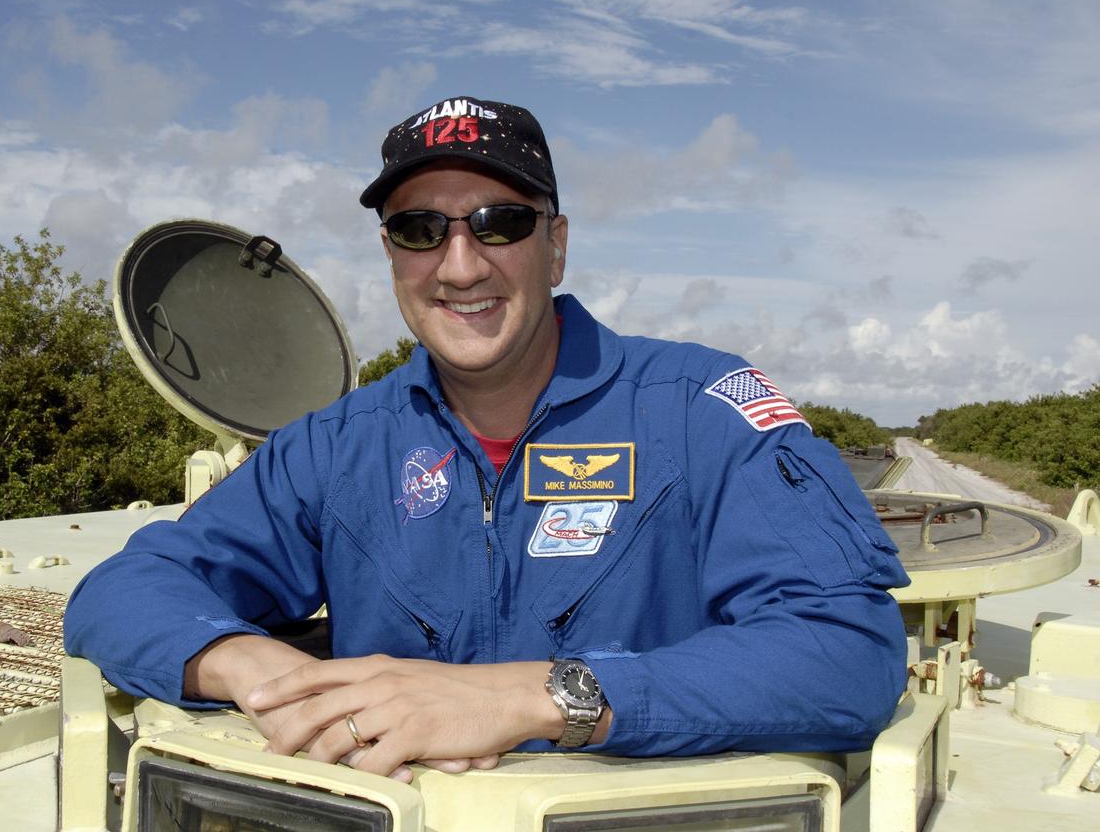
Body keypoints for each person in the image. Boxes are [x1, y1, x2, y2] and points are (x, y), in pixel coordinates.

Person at [64, 95, 910, 783]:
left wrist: (542, 697)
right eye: (419, 230)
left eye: (498, 223)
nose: (460, 265)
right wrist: (259, 671)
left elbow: (847, 653)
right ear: (392, 255)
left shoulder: (700, 410)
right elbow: (124, 592)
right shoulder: (337, 446)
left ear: (557, 246)